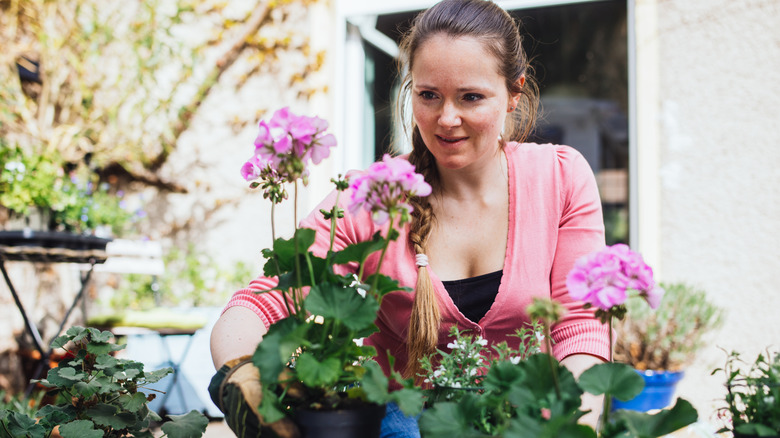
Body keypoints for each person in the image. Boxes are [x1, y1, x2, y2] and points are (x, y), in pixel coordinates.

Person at [210, 0, 610, 436]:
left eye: (471, 97)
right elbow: (270, 298)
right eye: (429, 96)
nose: (447, 118)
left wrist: (571, 426)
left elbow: (581, 331)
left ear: (514, 92)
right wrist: (241, 373)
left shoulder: (560, 178)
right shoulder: (374, 196)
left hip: (529, 422)